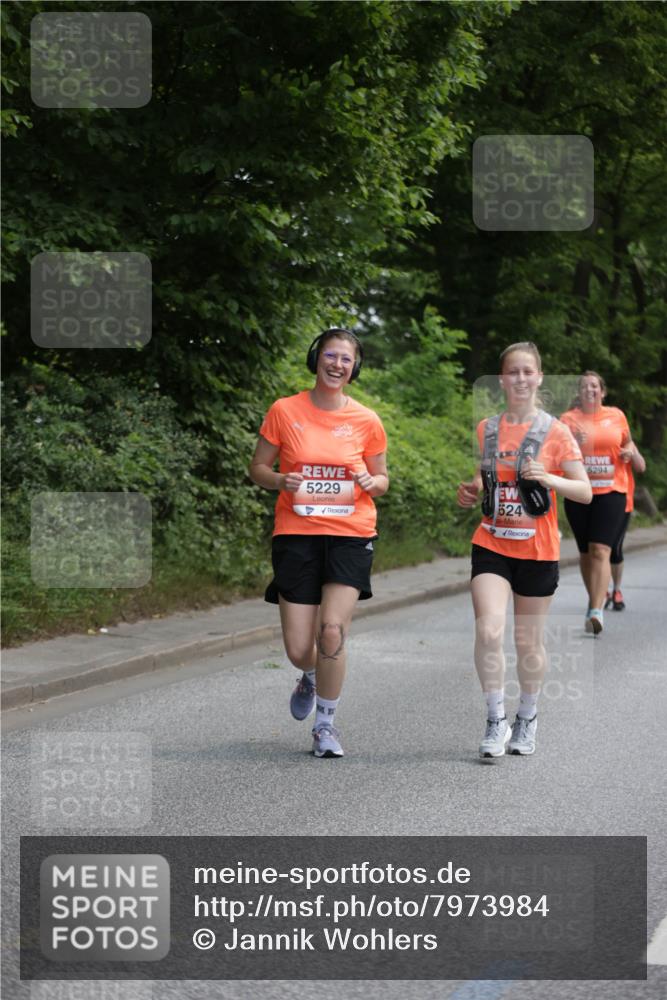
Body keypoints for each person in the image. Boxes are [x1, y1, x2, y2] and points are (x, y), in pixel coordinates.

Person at [248, 328, 388, 758]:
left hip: (350, 535)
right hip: (297, 535)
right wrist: (280, 480)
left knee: (331, 632)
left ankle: (325, 726)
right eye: (331, 355)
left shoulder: (366, 420)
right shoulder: (284, 410)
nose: (337, 365)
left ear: (355, 368)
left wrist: (372, 482)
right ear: (316, 358)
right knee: (298, 649)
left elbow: (382, 479)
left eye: (346, 359)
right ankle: (309, 675)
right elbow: (257, 468)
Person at [457, 342, 591, 759]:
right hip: (492, 543)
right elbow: (487, 478)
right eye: (512, 372)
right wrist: (472, 490)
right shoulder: (487, 428)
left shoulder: (557, 431)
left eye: (527, 371)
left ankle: (527, 717)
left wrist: (550, 478)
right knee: (488, 630)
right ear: (501, 380)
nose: (519, 378)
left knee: (528, 643)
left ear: (539, 377)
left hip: (537, 550)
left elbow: (584, 491)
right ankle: (495, 720)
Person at [560, 372, 639, 634]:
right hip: (579, 492)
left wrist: (628, 452)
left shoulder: (616, 415)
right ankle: (594, 596)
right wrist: (574, 444)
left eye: (594, 385)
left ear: (602, 392)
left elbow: (628, 443)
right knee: (585, 552)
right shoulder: (568, 420)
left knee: (601, 549)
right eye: (584, 386)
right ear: (579, 392)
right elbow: (556, 453)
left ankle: (596, 610)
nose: (589, 389)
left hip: (612, 491)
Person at [605, 447, 646, 611]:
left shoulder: (626, 440)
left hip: (621, 502)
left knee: (614, 548)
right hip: (593, 501)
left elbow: (641, 467)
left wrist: (632, 453)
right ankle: (601, 590)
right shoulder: (589, 436)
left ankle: (616, 590)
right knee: (595, 550)